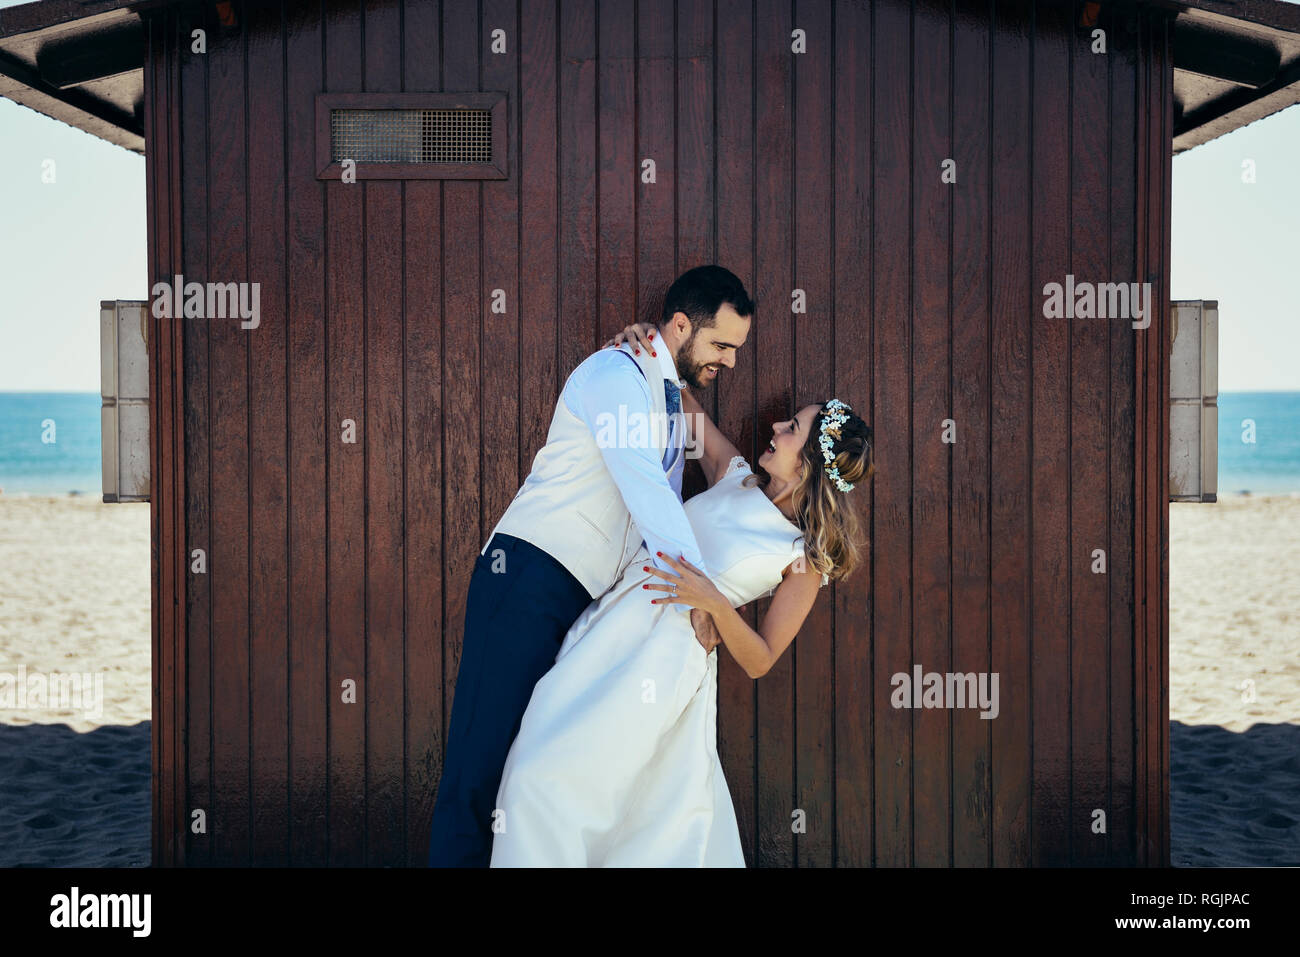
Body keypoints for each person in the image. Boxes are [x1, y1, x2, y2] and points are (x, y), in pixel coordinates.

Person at [490, 321, 875, 866]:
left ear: (808, 462)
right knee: (535, 769)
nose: (775, 425)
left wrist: (715, 602)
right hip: (609, 626)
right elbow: (680, 398)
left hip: (663, 663)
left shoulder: (803, 558)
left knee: (580, 790)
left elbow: (762, 659)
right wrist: (647, 349)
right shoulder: (733, 474)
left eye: (791, 427)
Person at [427, 265, 755, 866]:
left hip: (582, 603)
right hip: (525, 580)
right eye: (721, 345)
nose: (730, 362)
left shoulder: (664, 397)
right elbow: (648, 496)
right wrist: (702, 597)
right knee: (479, 770)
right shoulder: (613, 373)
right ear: (680, 326)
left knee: (531, 772)